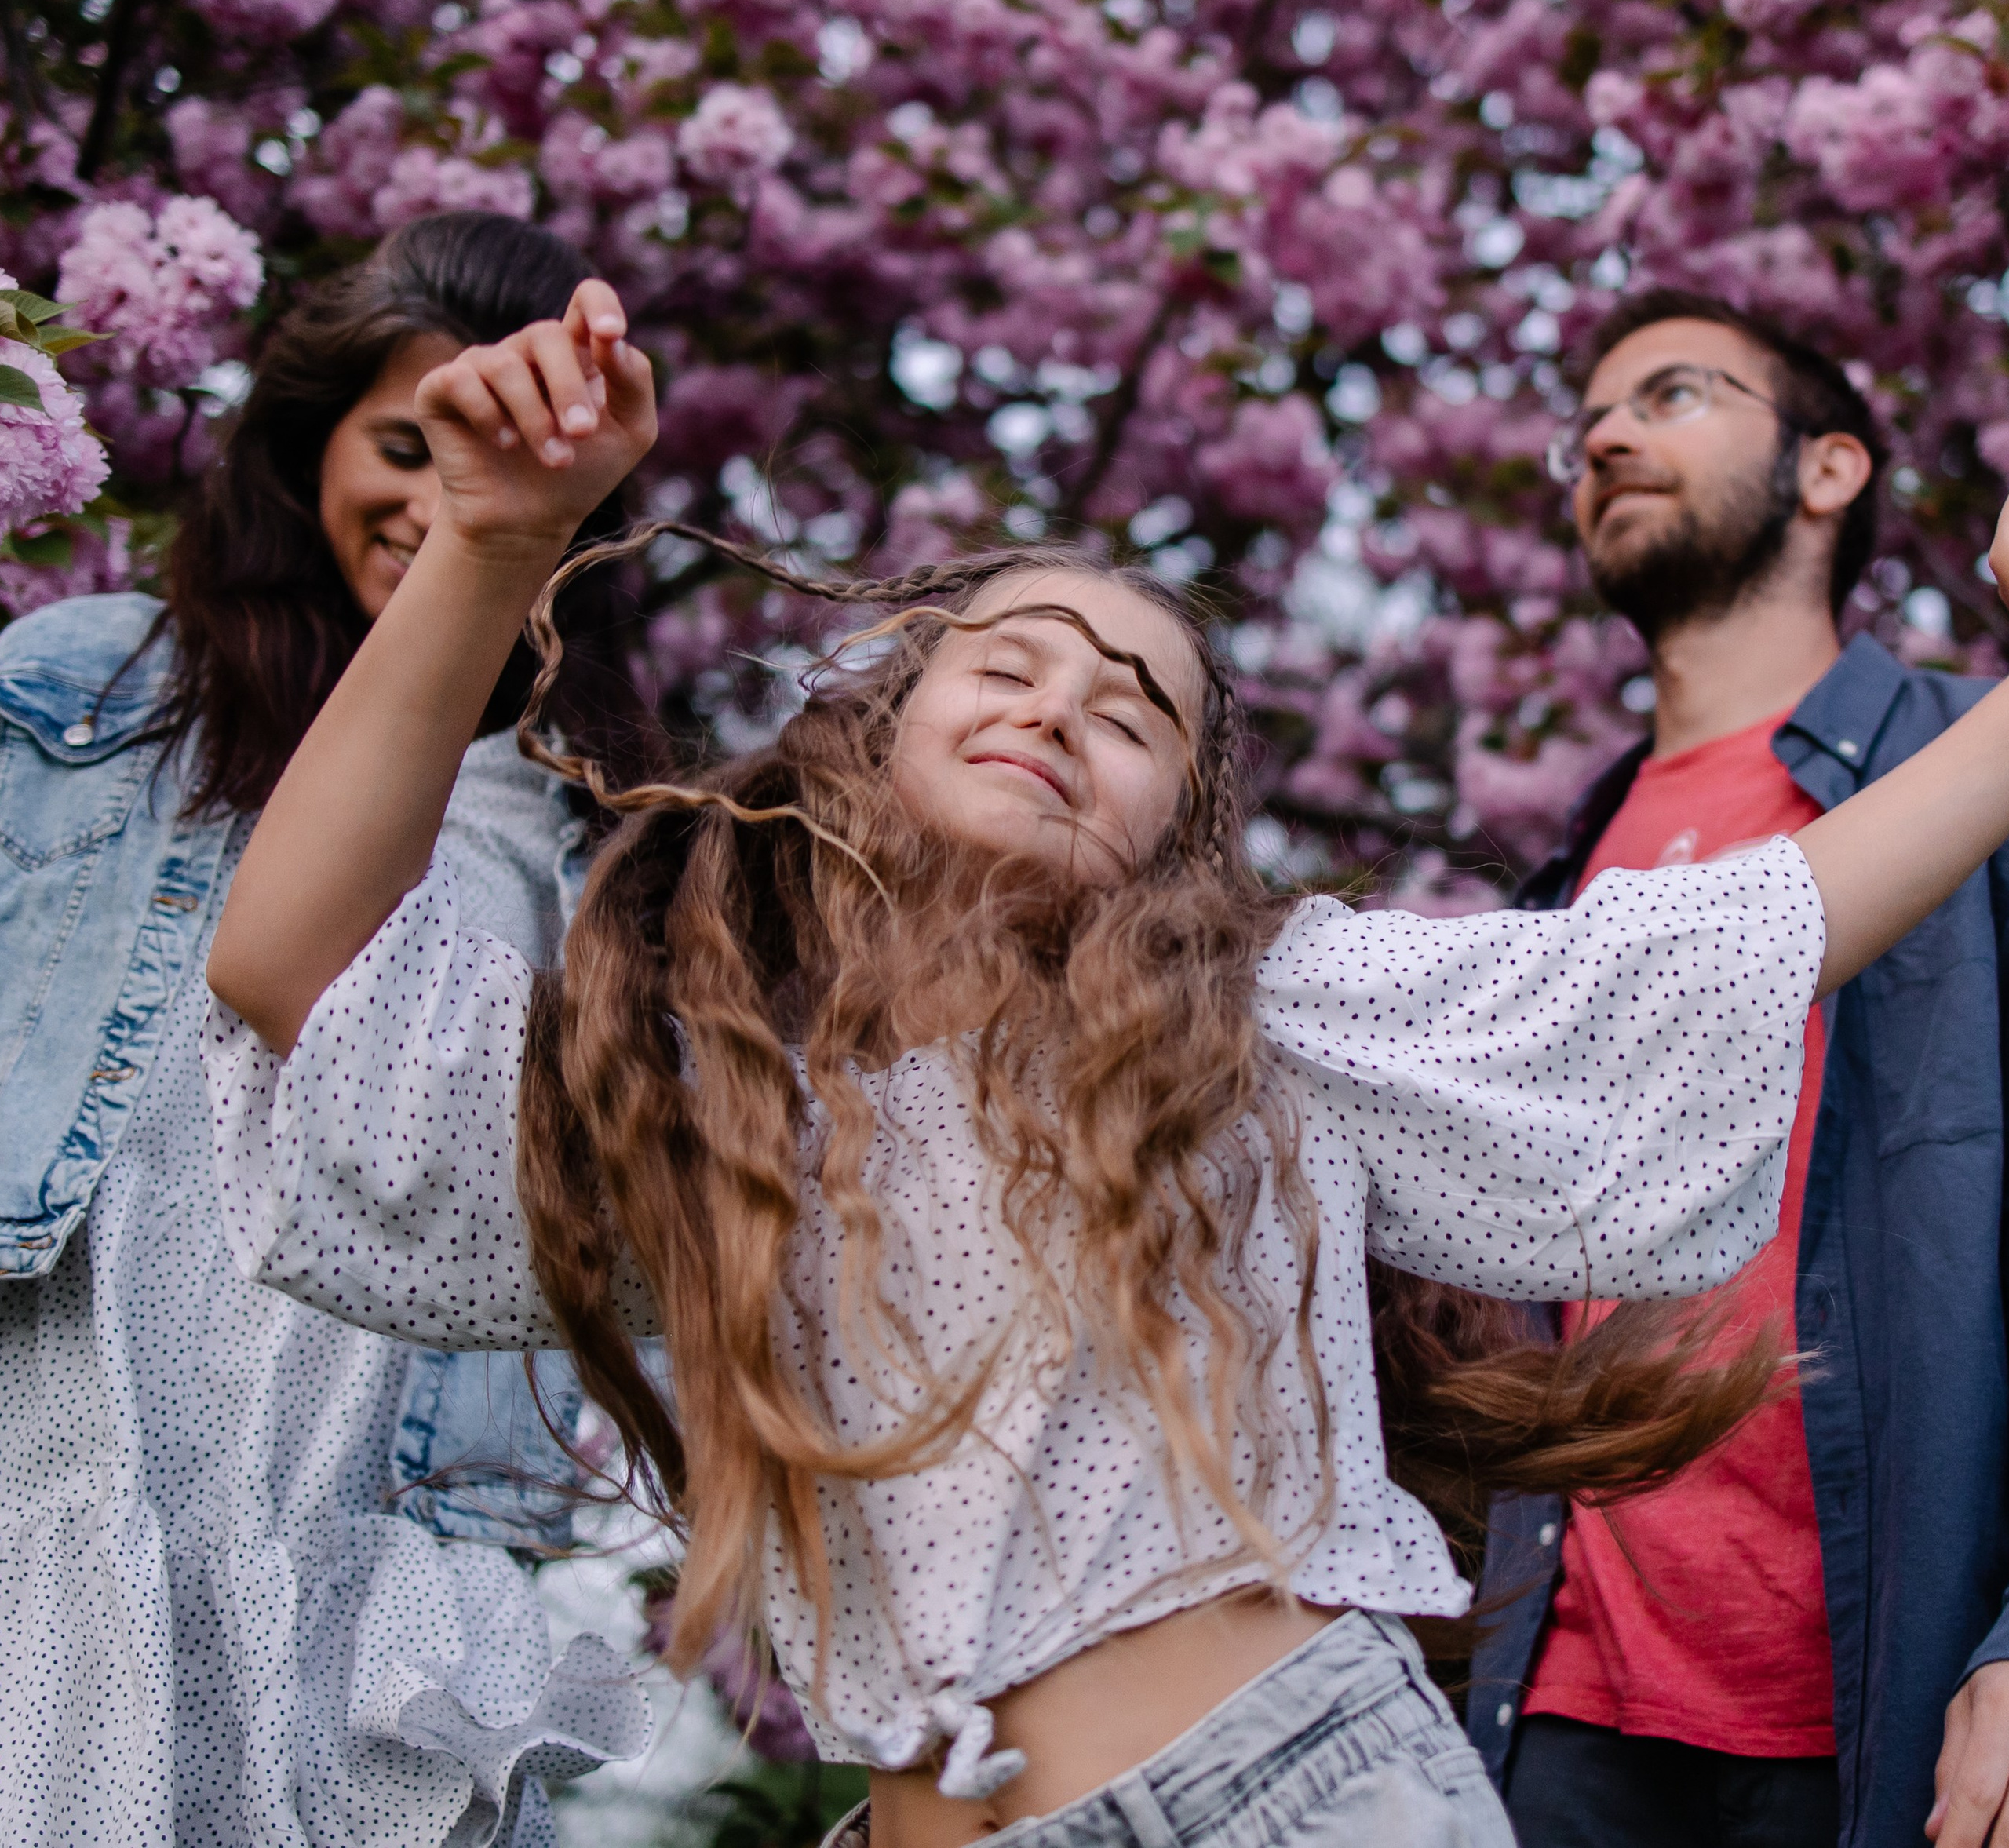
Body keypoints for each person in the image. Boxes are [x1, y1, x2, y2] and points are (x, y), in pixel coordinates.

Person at [199, 275, 2009, 1848]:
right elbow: (293, 966)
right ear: (877, 724)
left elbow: (1705, 950)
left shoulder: (1267, 1016)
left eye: (1132, 706)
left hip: (1286, 1792)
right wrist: (494, 544)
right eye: (1010, 661)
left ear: (1180, 831)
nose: (1060, 704)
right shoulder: (720, 1096)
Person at [0, 212, 655, 1848]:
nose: (439, 497)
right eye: (406, 440)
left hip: (374, 1503)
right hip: (61, 1416)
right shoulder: (89, 691)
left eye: (497, 458)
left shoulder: (619, 838)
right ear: (306, 452)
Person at [1464, 287, 2009, 1848]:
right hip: (1564, 1690)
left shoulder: (1956, 774)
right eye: (1587, 422)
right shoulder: (1567, 872)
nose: (1606, 437)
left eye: (1671, 394)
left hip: (1877, 1685)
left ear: (1827, 469)